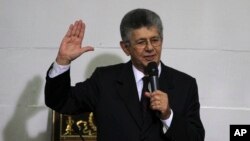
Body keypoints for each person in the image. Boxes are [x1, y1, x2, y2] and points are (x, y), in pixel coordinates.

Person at [45, 8, 205, 141]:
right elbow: (61, 102)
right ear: (125, 48)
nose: (150, 48)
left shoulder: (185, 84)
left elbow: (196, 138)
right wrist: (63, 60)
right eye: (141, 42)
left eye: (155, 40)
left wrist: (168, 115)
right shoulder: (104, 80)